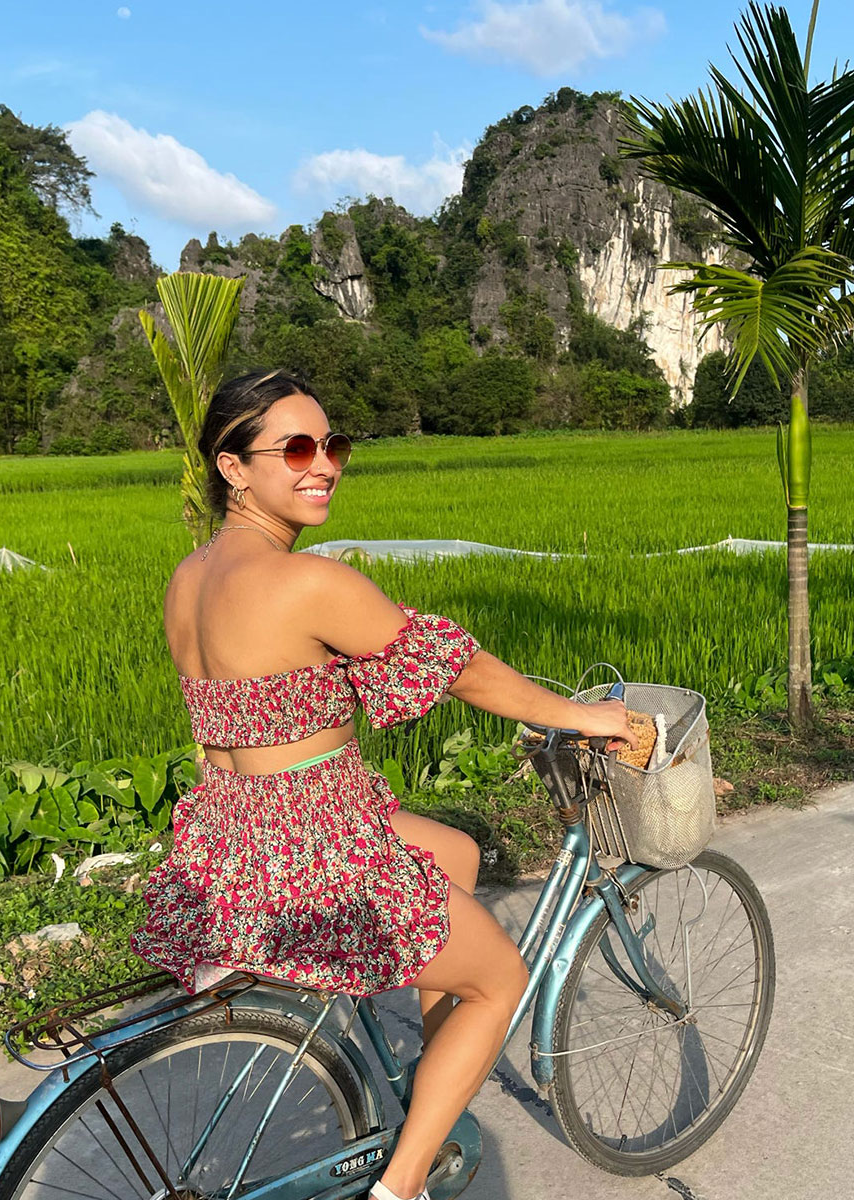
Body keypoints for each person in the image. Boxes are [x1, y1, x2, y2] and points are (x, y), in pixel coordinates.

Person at [130, 369, 637, 1200]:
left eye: (333, 444)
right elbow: (462, 672)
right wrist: (588, 719)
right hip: (313, 842)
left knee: (457, 852)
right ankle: (400, 1189)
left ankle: (426, 1081)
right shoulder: (309, 582)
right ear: (234, 468)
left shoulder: (190, 578)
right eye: (295, 447)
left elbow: (243, 711)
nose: (323, 463)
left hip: (230, 833)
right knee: (502, 981)